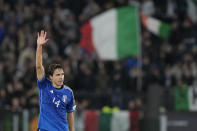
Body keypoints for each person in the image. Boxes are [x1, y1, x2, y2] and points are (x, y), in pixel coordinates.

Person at [36, 30, 76, 131]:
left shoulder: (68, 92)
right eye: (58, 75)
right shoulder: (44, 85)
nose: (61, 77)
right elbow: (39, 67)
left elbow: (70, 113)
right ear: (51, 77)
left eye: (62, 74)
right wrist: (39, 46)